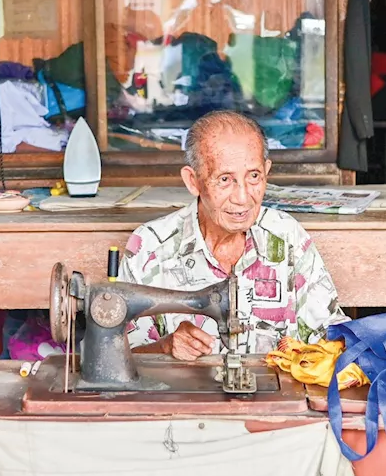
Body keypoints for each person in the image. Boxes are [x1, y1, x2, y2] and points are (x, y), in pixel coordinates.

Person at [118, 109, 347, 357]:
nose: (242, 197)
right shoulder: (149, 247)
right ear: (193, 181)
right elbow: (119, 355)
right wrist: (163, 347)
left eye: (254, 176)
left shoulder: (286, 236)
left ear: (267, 170)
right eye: (225, 179)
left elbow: (329, 335)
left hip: (276, 393)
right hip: (183, 394)